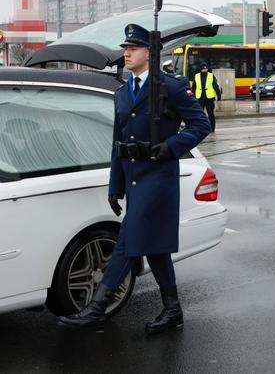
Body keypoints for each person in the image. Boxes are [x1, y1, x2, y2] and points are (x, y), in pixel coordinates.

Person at [57, 24, 211, 333]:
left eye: (133, 48)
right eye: (125, 48)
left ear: (150, 54)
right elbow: (118, 142)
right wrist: (115, 185)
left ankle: (98, 307)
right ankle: (173, 310)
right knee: (154, 246)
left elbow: (200, 124)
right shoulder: (122, 92)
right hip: (133, 176)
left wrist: (171, 147)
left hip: (158, 176)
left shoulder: (171, 87)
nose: (126, 53)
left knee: (130, 239)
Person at [193, 63, 222, 132]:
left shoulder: (211, 76)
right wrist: (192, 97)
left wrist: (219, 95)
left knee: (210, 114)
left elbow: (215, 86)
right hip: (199, 98)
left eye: (206, 68)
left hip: (209, 98)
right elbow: (193, 87)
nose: (205, 70)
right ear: (201, 69)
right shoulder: (196, 76)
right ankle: (200, 127)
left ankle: (212, 128)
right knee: (199, 115)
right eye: (203, 69)